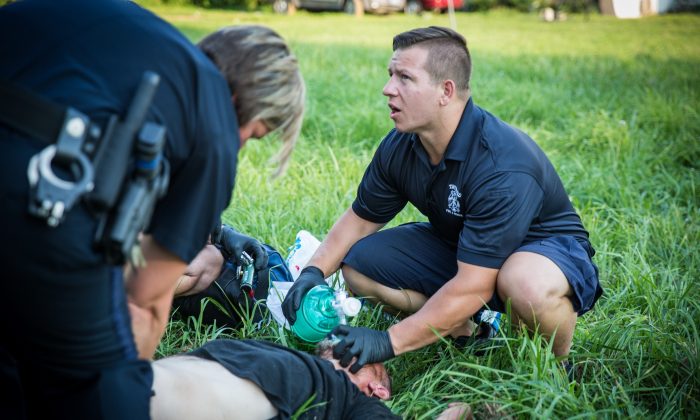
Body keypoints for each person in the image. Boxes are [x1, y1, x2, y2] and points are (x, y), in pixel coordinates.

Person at [0, 0, 304, 418]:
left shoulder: (129, 31)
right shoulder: (214, 127)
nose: (239, 145)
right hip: (38, 204)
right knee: (106, 393)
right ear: (241, 101)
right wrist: (127, 371)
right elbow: (144, 303)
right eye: (253, 134)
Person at [282, 26, 601, 375]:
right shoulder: (402, 145)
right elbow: (360, 220)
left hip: (544, 253)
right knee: (358, 264)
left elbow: (474, 285)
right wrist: (312, 273)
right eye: (391, 75)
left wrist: (387, 342)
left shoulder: (501, 166)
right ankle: (471, 330)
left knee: (523, 283)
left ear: (445, 91)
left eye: (404, 78)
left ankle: (557, 366)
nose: (388, 89)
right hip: (467, 250)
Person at [150, 338, 398, 419]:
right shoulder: (287, 357)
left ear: (377, 390)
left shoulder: (354, 400)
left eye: (361, 357)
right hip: (201, 362)